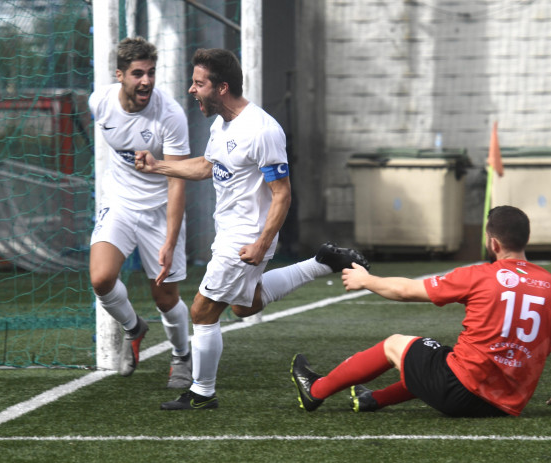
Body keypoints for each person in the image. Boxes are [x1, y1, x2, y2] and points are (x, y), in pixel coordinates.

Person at [135, 48, 368, 410]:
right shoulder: (222, 124)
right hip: (229, 234)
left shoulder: (262, 130)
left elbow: (282, 195)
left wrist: (261, 244)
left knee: (201, 311)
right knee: (245, 306)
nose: (191, 90)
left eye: (199, 84)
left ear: (222, 87)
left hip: (245, 238)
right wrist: (158, 167)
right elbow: (206, 166)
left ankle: (201, 393)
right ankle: (322, 262)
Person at [291, 205, 551, 417]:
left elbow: (406, 290)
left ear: (493, 242)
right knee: (438, 356)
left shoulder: (479, 275)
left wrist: (366, 281)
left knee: (396, 344)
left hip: (460, 393)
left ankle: (315, 390)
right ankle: (373, 400)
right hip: (507, 405)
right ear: (526, 240)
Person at [88, 37, 192, 388]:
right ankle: (134, 328)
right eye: (137, 74)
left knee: (165, 297)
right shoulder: (100, 102)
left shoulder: (171, 115)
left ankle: (181, 355)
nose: (146, 81)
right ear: (120, 75)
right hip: (119, 203)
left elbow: (178, 180)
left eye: (151, 73)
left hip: (161, 211)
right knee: (101, 279)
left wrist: (170, 239)